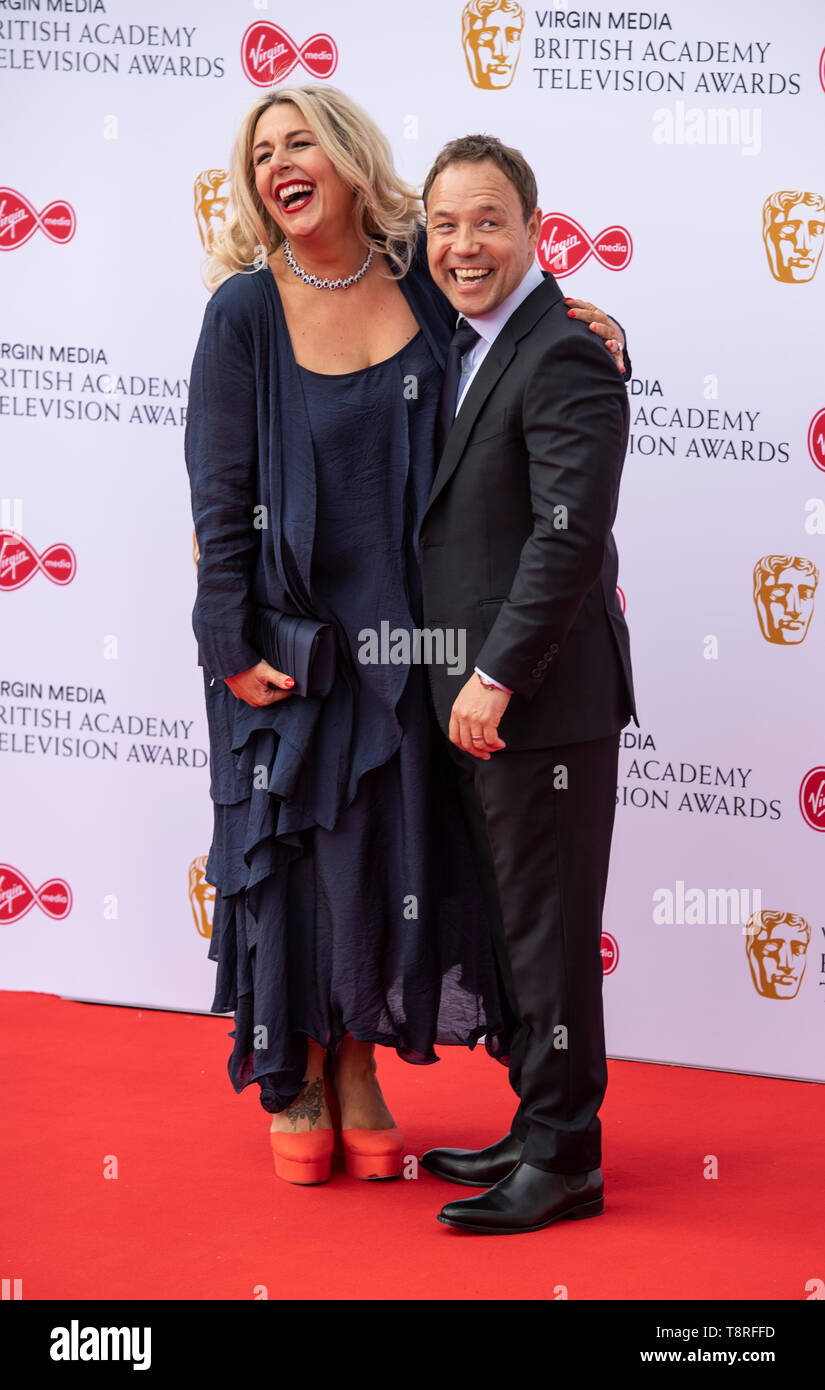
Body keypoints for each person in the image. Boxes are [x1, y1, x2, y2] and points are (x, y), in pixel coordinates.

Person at [184, 86, 629, 1186]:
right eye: (263, 151)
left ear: (345, 158)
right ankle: (299, 1078)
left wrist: (603, 326)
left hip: (416, 657)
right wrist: (228, 639)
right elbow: (216, 491)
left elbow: (518, 352)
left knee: (382, 861)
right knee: (292, 859)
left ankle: (363, 1073)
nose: (282, 162)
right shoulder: (242, 311)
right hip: (286, 648)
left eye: (302, 142)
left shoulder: (420, 280)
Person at [417, 134, 636, 1233]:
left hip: (538, 703)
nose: (464, 244)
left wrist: (495, 675)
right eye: (445, 223)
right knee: (514, 935)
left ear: (535, 231)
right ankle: (535, 1122)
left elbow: (566, 538)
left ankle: (568, 1160)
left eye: (488, 221)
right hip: (476, 702)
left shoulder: (563, 353)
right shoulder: (468, 336)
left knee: (548, 938)